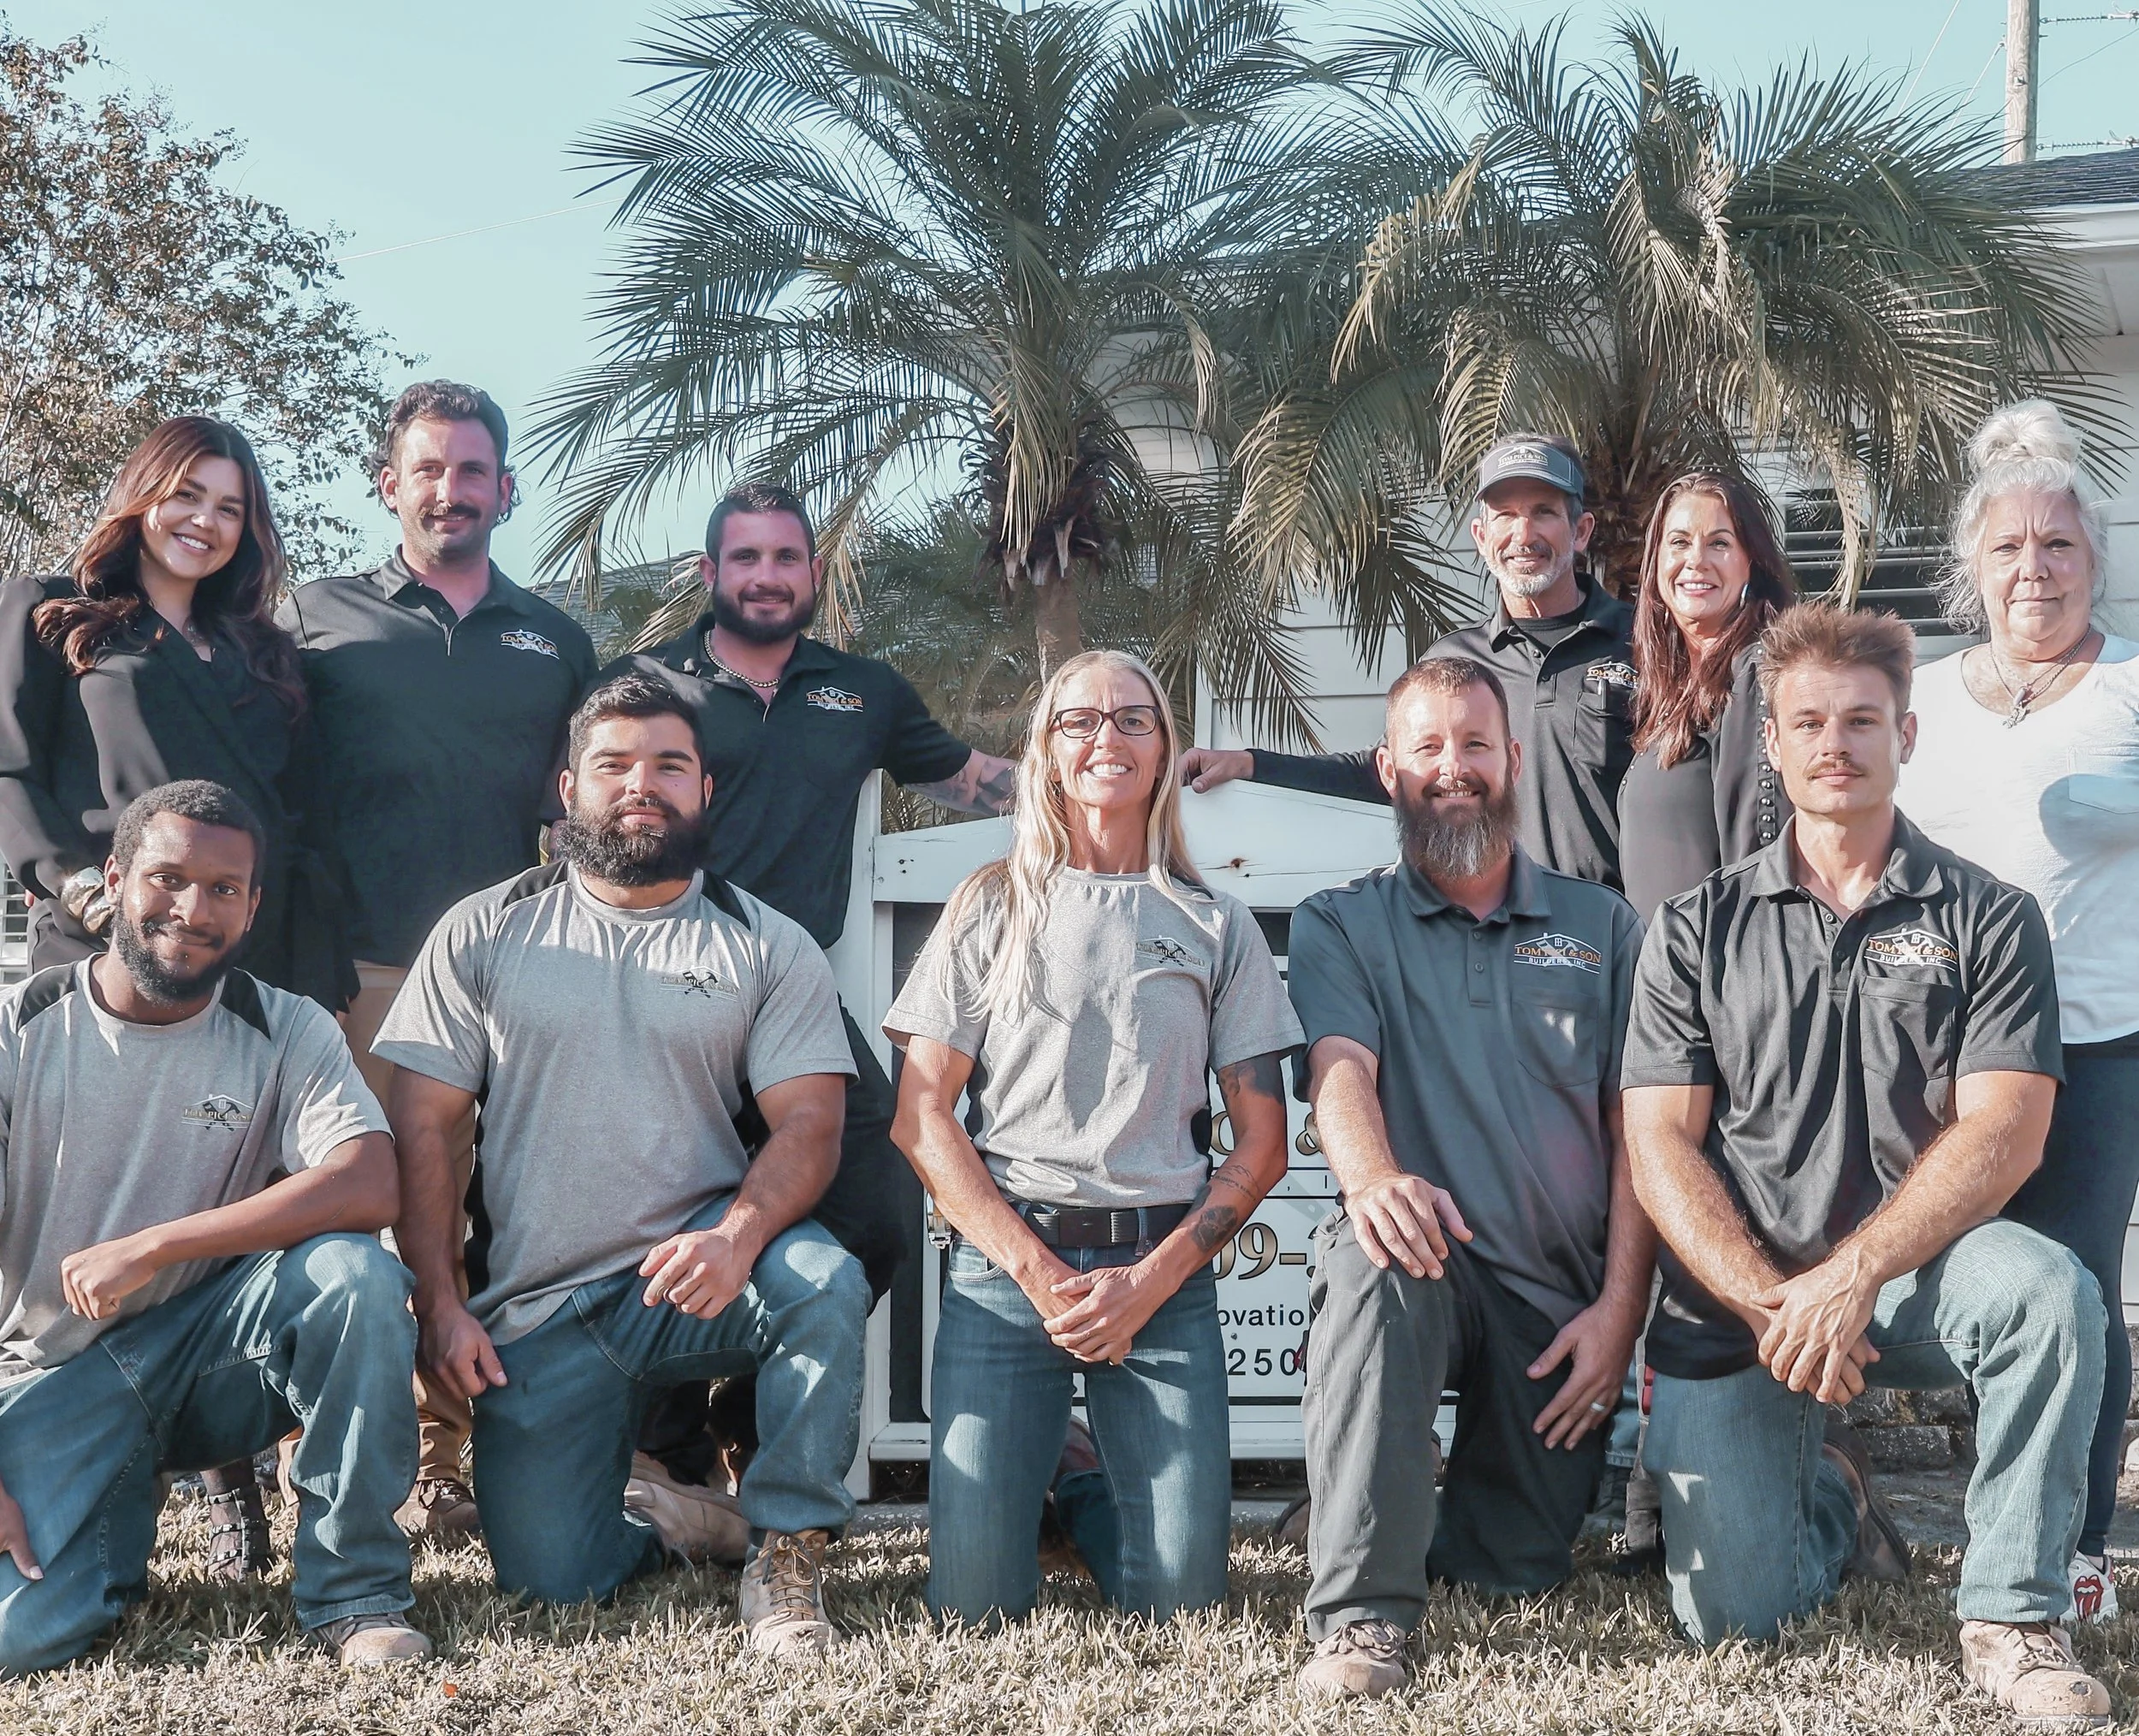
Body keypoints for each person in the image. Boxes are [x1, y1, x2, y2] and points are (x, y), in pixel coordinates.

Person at [1622, 601, 2111, 1724]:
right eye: (1808, 722)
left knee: (2048, 1292)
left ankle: (2013, 1616)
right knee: (1738, 1620)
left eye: (1861, 720)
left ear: (1907, 735)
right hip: (1746, 1300)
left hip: (1914, 1278)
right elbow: (1659, 1144)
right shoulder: (1694, 929)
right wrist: (1775, 1302)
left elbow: (2008, 1130)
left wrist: (1852, 1276)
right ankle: (1835, 1491)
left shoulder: (1990, 916)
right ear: (1777, 739)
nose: (1835, 743)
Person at [374, 674, 868, 1658]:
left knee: (823, 1279)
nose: (642, 784)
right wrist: (439, 1301)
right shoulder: (484, 930)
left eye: (669, 766)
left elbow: (810, 1122)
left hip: (693, 1276)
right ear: (568, 788)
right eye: (615, 765)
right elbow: (423, 1130)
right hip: (539, 1311)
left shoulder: (765, 943)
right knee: (555, 1582)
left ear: (704, 790)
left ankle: (787, 1548)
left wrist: (737, 1234)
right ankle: (673, 1521)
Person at [0, 415, 355, 1579]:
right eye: (185, 494)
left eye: (231, 506)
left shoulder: (264, 655)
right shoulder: (57, 618)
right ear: (140, 496)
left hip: (248, 945)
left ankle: (232, 1481)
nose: (205, 520)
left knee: (236, 1195)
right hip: (103, 938)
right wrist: (68, 883)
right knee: (93, 1196)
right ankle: (68, 1429)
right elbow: (9, 770)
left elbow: (295, 808)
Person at [885, 649, 1301, 1625]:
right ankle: (1048, 1485)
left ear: (1163, 752)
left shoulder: (1214, 923)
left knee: (1184, 1610)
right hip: (1006, 1274)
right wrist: (1040, 1277)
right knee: (975, 1613)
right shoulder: (990, 905)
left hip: (1161, 1278)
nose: (1104, 737)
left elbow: (1263, 1143)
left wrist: (1145, 1284)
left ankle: (1076, 1498)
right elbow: (922, 1114)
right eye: (1078, 721)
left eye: (1131, 719)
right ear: (1046, 752)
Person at [1283, 655, 1652, 1700]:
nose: (1455, 768)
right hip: (1425, 1260)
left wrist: (1618, 1316)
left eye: (1475, 745)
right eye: (1430, 747)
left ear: (1513, 761)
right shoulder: (1339, 922)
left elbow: (1642, 1134)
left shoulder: (1603, 926)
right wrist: (1372, 1179)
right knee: (1374, 1260)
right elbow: (1338, 1070)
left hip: (1556, 1305)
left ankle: (1374, 1503)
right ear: (1387, 768)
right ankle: (1361, 1617)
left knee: (1515, 1568)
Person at [0, 781, 427, 1673]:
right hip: (52, 1371)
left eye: (224, 888)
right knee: (18, 1635)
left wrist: (161, 1243)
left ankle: (357, 1595)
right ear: (114, 879)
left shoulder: (285, 1023)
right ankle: (106, 1523)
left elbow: (368, 1177)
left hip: (208, 1357)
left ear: (253, 903)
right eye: (166, 879)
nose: (192, 910)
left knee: (356, 1277)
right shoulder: (22, 1028)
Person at [279, 381, 599, 1540]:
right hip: (344, 972)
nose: (451, 490)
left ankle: (443, 1461)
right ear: (389, 484)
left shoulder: (553, 638)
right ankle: (311, 1453)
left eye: (473, 472)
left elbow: (595, 801)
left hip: (492, 983)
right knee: (328, 1217)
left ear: (505, 490)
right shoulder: (314, 620)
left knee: (456, 1219)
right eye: (429, 470)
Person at [1898, 400, 2139, 1625]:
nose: (2033, 568)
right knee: (1980, 1289)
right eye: (2009, 547)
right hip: (1936, 1057)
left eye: (2059, 547)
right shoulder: (1922, 702)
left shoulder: (2135, 688)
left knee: (2082, 1289)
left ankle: (2076, 1543)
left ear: (2095, 562)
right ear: (1972, 567)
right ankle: (1995, 1517)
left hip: (2096, 1048)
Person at [1178, 434, 1638, 891]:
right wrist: (1252, 765)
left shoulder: (1645, 646)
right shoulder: (1456, 665)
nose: (1523, 535)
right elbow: (1387, 772)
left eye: (1544, 512)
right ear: (1481, 538)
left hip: (1619, 937)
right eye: (1505, 516)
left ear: (1580, 532)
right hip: (1492, 940)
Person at [1618, 473, 1797, 923]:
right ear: (1656, 561)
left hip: (1717, 981)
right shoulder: (1669, 691)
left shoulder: (1755, 674)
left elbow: (1759, 860)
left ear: (1750, 563)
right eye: (1678, 542)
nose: (1695, 561)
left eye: (1719, 543)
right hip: (1661, 980)